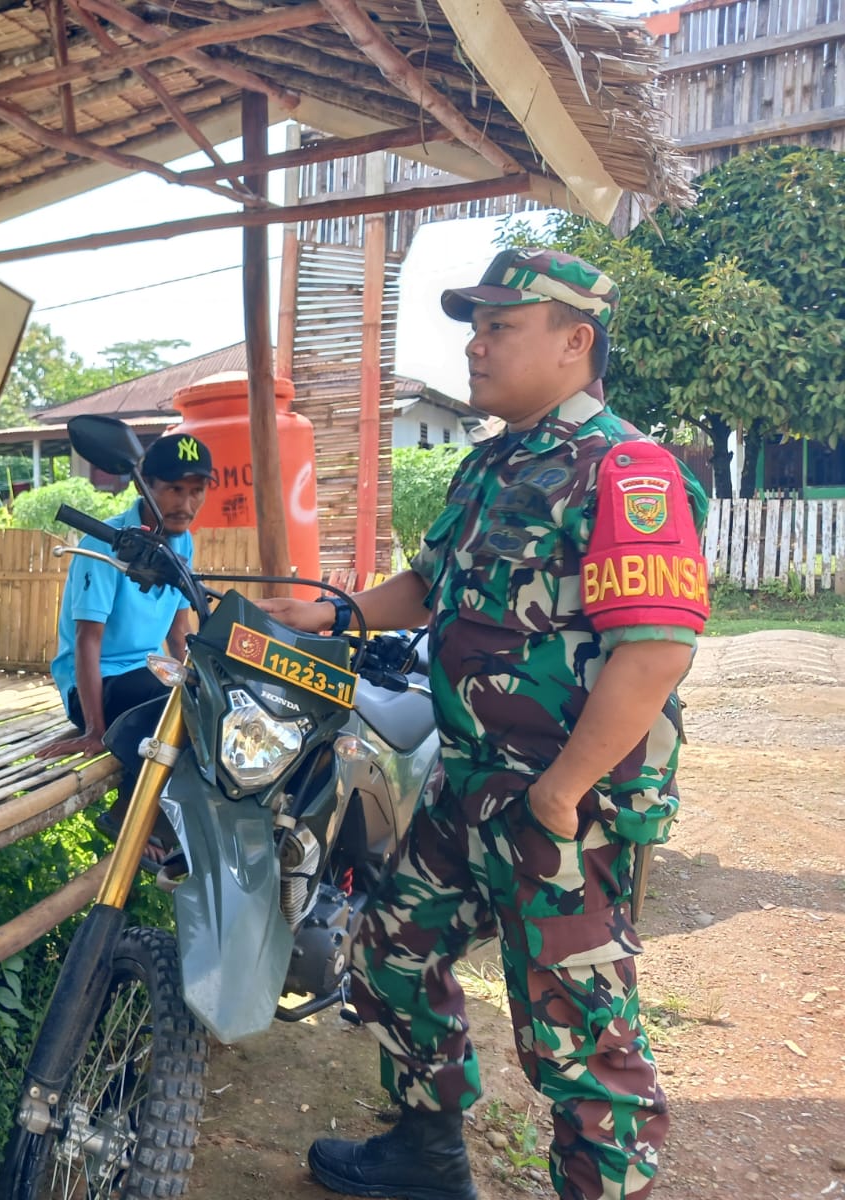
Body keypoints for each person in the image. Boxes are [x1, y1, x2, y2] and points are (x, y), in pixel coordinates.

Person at [261, 249, 708, 1200]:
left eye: (500, 326)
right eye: (475, 326)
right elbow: (430, 587)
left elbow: (654, 652)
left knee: (579, 1038)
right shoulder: (492, 464)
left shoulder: (625, 470)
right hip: (466, 783)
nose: (476, 344)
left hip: (562, 807)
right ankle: (425, 1158)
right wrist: (333, 613)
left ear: (575, 341)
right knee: (392, 952)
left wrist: (560, 792)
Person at [42, 431, 214, 760]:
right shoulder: (103, 544)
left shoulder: (182, 542)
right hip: (97, 687)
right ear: (142, 485)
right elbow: (87, 640)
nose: (185, 505)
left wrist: (202, 679)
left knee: (214, 700)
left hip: (151, 673)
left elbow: (179, 632)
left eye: (196, 491)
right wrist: (95, 731)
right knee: (172, 705)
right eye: (174, 489)